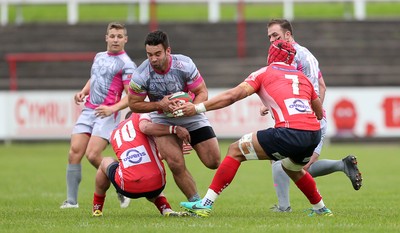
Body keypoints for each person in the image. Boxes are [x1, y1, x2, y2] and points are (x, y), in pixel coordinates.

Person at [177, 40, 333, 217]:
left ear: (271, 55)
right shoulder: (302, 77)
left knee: (235, 150)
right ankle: (321, 209)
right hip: (313, 134)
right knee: (292, 168)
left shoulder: (264, 72)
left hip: (290, 131)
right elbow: (319, 113)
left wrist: (197, 108)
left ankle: (205, 204)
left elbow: (232, 96)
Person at [264, 18, 362, 212]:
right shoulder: (300, 56)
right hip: (313, 118)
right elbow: (322, 86)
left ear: (288, 35)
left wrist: (306, 115)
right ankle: (342, 165)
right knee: (299, 168)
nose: (272, 40)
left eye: (275, 35)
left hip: (304, 121)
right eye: (269, 37)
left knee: (278, 158)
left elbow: (306, 91)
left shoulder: (297, 57)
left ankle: (284, 207)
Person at [128, 30, 221, 203]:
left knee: (213, 161)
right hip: (162, 119)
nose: (153, 59)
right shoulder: (141, 74)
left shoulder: (184, 64)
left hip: (190, 114)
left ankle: (189, 140)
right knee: (175, 164)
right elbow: (133, 104)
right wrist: (158, 105)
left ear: (168, 51)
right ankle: (196, 203)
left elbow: (202, 92)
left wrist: (192, 107)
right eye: (149, 55)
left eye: (158, 54)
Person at [60, 22, 137, 209]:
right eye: (112, 36)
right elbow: (95, 77)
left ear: (125, 39)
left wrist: (112, 109)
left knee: (93, 155)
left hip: (107, 113)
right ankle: (71, 201)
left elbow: (132, 96)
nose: (116, 40)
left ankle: (121, 185)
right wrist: (83, 91)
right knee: (74, 153)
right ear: (106, 38)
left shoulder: (127, 64)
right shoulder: (99, 56)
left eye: (120, 36)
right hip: (89, 110)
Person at [92, 111, 190, 217]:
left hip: (127, 188)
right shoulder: (143, 118)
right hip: (157, 185)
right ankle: (166, 209)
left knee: (105, 161)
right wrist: (171, 149)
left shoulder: (115, 132)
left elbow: (136, 157)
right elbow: (148, 152)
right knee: (149, 173)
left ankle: (97, 209)